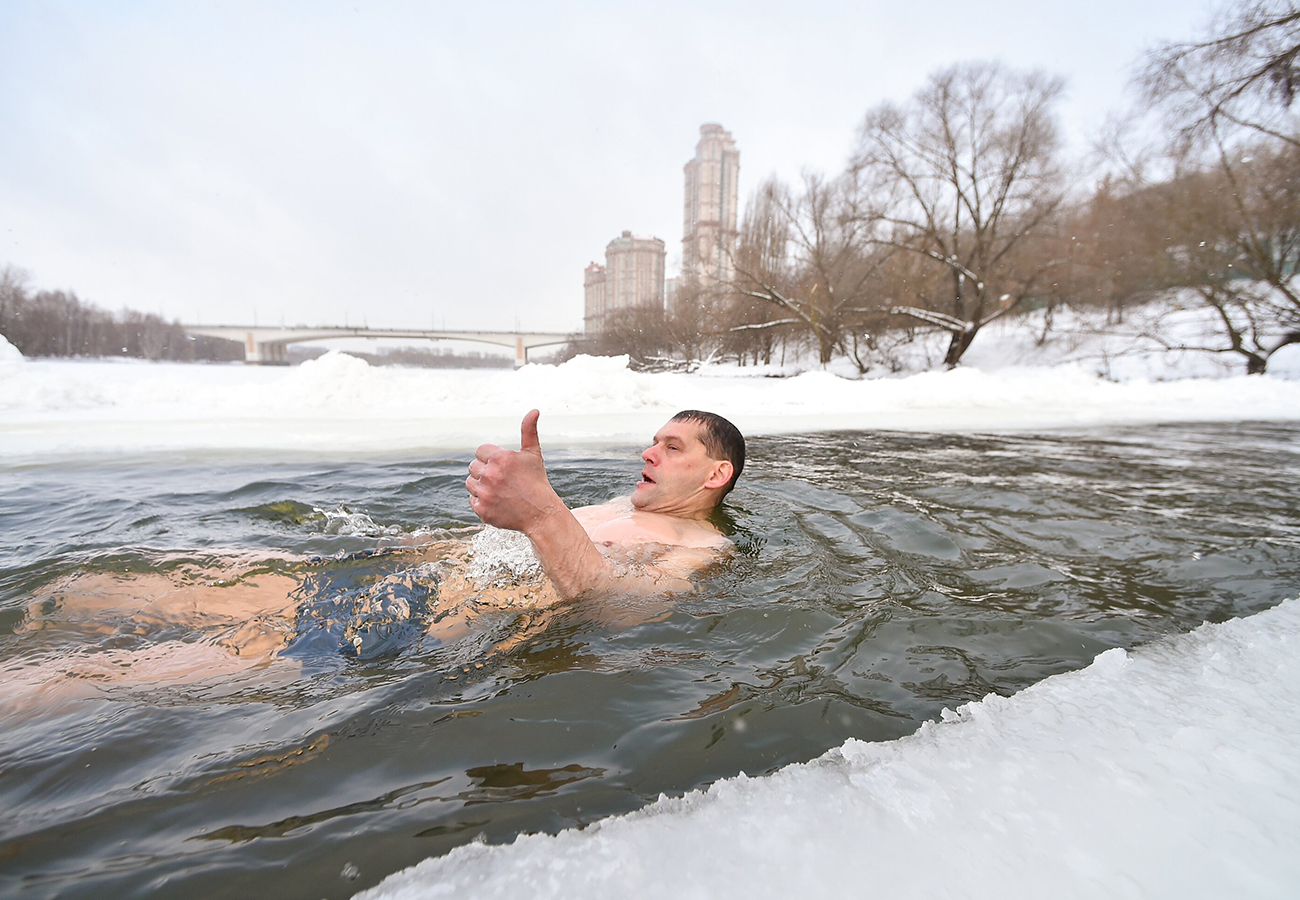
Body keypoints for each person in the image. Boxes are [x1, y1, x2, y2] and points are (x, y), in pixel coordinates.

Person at [465, 408, 745, 600]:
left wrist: (539, 514)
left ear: (716, 474)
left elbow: (611, 600)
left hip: (466, 627)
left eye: (672, 447)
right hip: (455, 578)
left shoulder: (704, 547)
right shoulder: (621, 504)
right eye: (654, 443)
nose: (647, 453)